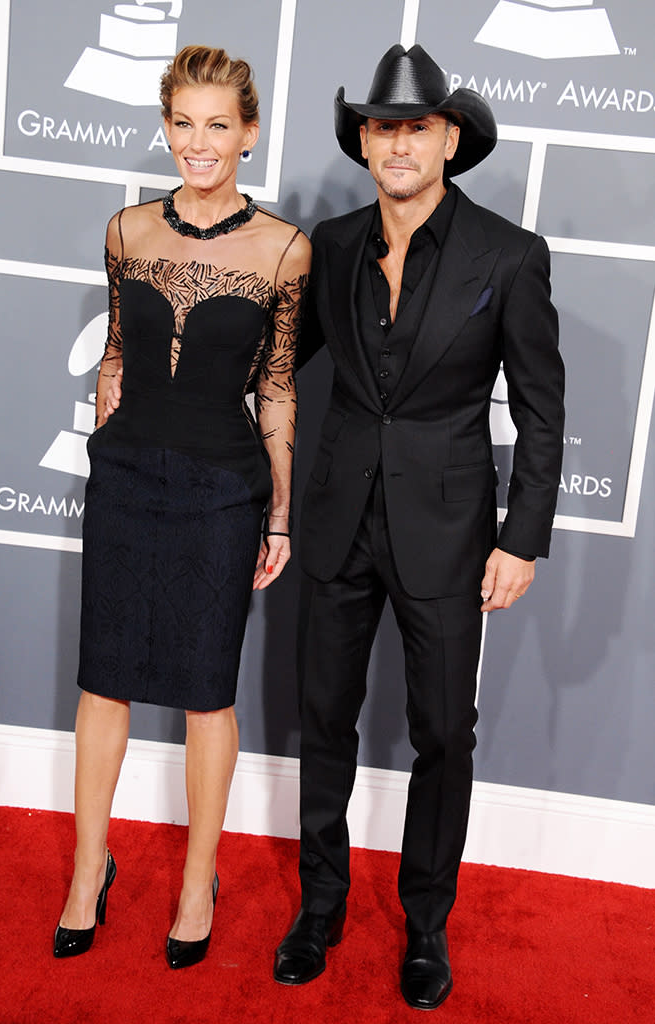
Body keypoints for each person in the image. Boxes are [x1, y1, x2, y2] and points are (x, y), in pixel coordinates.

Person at [273, 44, 564, 1010]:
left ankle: (427, 923)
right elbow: (276, 363)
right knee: (323, 720)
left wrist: (521, 536)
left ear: (450, 139)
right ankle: (319, 908)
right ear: (364, 140)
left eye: (417, 126)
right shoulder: (334, 244)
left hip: (447, 531)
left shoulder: (510, 256)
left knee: (444, 731)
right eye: (382, 126)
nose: (398, 143)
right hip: (336, 518)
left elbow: (541, 409)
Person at [53, 45, 310, 968]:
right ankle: (90, 869)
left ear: (247, 133)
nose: (197, 144)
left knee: (208, 692)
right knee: (103, 678)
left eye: (217, 126)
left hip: (221, 489)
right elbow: (119, 349)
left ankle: (198, 879)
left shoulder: (284, 248)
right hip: (127, 480)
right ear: (166, 126)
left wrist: (280, 514)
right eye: (182, 124)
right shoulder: (126, 231)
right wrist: (107, 422)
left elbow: (277, 388)